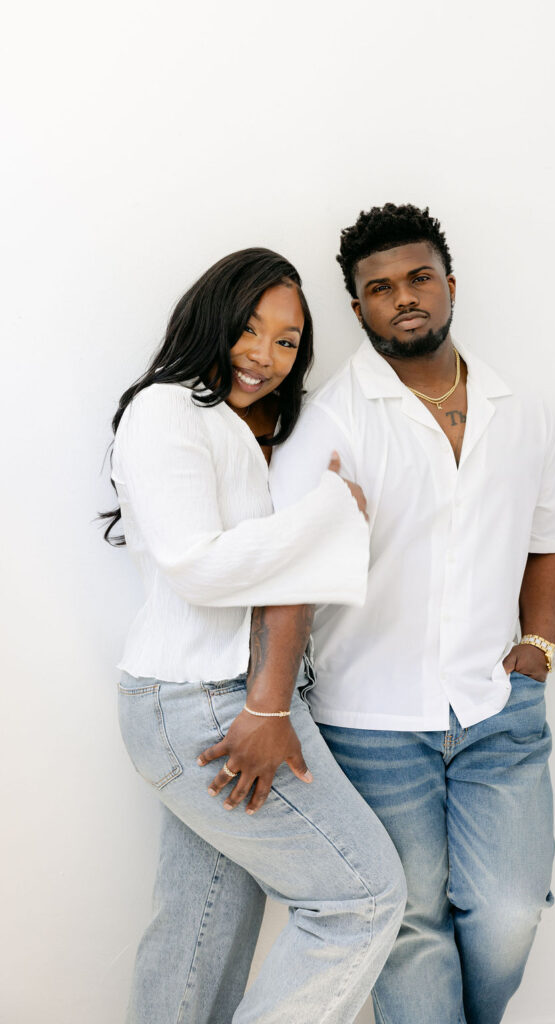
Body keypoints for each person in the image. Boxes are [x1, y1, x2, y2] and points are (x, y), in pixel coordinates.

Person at [267, 204, 555, 1024]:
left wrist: (538, 648)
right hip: (370, 723)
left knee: (509, 913)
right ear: (357, 307)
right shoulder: (331, 420)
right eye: (379, 288)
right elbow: (287, 573)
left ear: (448, 284)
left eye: (417, 278)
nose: (402, 297)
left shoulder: (521, 411)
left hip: (495, 709)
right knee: (410, 926)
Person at [102, 247, 406, 1024]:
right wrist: (333, 512)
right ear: (211, 316)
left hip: (213, 698)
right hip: (206, 702)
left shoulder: (239, 426)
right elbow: (196, 565)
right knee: (362, 899)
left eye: (286, 341)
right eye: (249, 329)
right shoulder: (165, 410)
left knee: (199, 930)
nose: (263, 356)